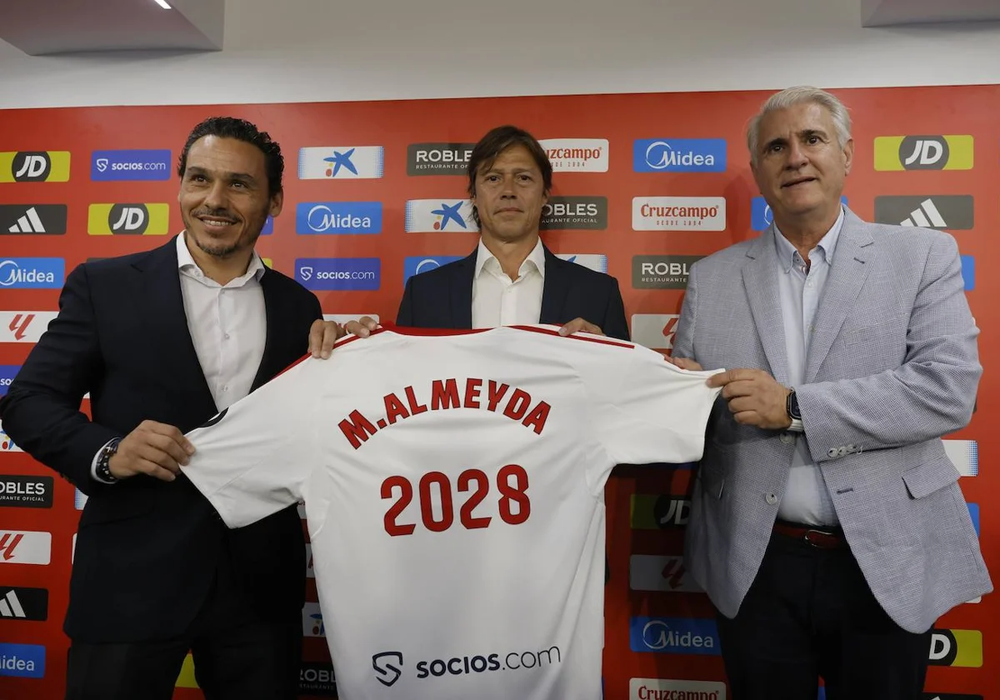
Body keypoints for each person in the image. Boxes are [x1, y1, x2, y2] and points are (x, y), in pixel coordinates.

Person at [0, 116, 340, 700]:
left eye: (239, 184)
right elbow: (27, 402)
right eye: (200, 179)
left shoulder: (299, 304)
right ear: (180, 186)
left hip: (260, 588)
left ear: (274, 200)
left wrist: (357, 351)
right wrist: (107, 452)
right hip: (131, 579)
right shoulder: (104, 286)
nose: (215, 199)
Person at [669, 86, 992, 700]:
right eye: (775, 146)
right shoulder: (713, 278)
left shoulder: (921, 256)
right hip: (754, 562)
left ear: (847, 154)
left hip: (884, 557)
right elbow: (688, 406)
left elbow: (947, 392)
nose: (795, 157)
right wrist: (609, 364)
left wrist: (793, 408)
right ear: (759, 171)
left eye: (812, 139)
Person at [350, 124, 629, 340]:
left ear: (545, 195)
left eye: (523, 178)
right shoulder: (423, 294)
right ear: (474, 194)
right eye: (493, 178)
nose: (508, 191)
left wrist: (606, 358)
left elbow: (622, 397)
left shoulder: (598, 294)